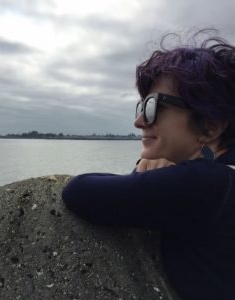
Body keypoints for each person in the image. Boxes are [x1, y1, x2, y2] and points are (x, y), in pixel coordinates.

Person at [62, 30, 235, 300]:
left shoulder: (203, 184)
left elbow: (79, 191)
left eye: (154, 106)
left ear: (210, 126)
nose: (140, 121)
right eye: (141, 106)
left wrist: (144, 168)